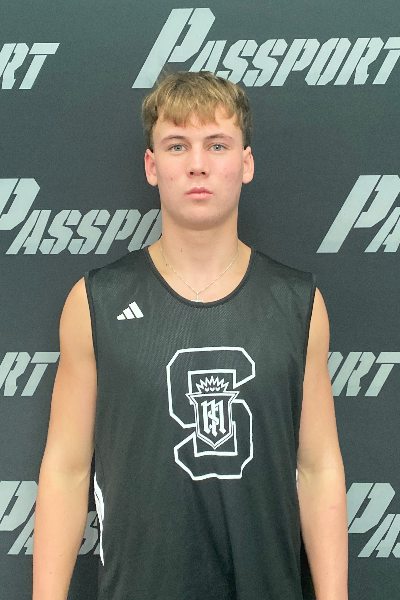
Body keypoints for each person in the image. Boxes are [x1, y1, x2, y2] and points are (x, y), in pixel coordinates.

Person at [32, 71, 348, 600]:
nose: (197, 164)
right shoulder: (95, 302)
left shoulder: (299, 303)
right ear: (152, 166)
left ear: (246, 163)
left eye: (217, 145)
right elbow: (65, 468)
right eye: (177, 145)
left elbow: (318, 469)